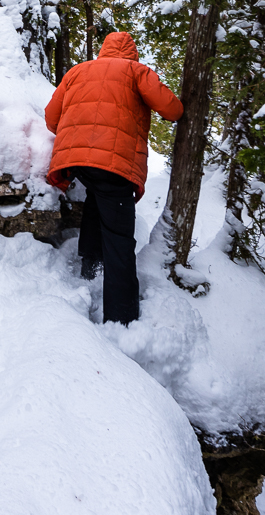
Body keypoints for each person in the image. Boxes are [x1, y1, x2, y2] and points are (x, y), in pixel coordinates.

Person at [43, 31, 183, 325]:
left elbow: (51, 118)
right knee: (119, 239)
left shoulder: (78, 71)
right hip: (116, 163)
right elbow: (172, 110)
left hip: (78, 161)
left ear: (104, 50)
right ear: (131, 52)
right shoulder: (136, 71)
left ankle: (90, 265)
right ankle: (122, 319)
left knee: (96, 198)